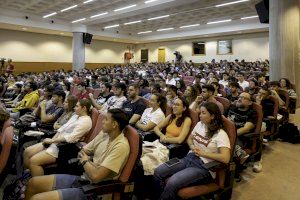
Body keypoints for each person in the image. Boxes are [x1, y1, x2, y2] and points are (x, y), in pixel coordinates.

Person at [25, 109, 130, 200]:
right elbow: (84, 150)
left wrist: (85, 160)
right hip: (84, 176)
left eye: (106, 119)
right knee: (33, 183)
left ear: (115, 124)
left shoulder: (121, 146)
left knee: (36, 198)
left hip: (94, 188)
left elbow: (96, 177)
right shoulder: (105, 134)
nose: (102, 122)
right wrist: (87, 161)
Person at [153, 102, 230, 200]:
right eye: (200, 112)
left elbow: (226, 158)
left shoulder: (220, 134)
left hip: (204, 167)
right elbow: (190, 139)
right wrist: (192, 146)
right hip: (189, 158)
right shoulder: (200, 124)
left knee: (172, 182)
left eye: (203, 113)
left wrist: (203, 153)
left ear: (212, 116)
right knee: (158, 171)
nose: (200, 115)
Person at [23, 99, 93, 176]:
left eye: (77, 106)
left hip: (65, 147)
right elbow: (61, 129)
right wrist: (51, 140)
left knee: (33, 161)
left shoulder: (86, 121)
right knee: (27, 151)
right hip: (56, 141)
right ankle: (28, 174)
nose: (74, 108)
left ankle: (35, 182)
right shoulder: (76, 116)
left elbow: (71, 138)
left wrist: (52, 141)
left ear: (84, 108)